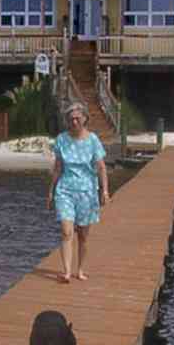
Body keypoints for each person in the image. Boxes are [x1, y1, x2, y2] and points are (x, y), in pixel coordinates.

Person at [47, 101, 109, 283]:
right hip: (65, 190)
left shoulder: (93, 140)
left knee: (83, 235)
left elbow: (101, 167)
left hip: (87, 192)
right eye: (71, 119)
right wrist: (51, 192)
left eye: (77, 118)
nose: (74, 122)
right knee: (67, 232)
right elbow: (57, 168)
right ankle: (66, 271)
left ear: (84, 119)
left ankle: (79, 270)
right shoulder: (61, 140)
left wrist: (105, 191)